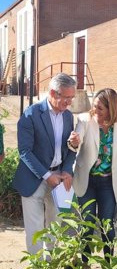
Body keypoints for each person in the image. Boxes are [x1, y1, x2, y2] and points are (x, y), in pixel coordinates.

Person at [13, 73, 77, 255]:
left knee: (55, 224)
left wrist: (66, 170)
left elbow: (69, 148)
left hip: (60, 178)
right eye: (66, 97)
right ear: (53, 93)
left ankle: (50, 263)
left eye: (71, 98)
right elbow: (24, 151)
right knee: (34, 228)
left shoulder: (68, 116)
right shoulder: (31, 114)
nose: (69, 102)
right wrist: (47, 176)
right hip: (33, 178)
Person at [68, 88, 117, 263]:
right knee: (87, 223)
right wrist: (74, 141)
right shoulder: (84, 120)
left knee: (107, 225)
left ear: (111, 110)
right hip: (87, 181)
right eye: (94, 106)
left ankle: (108, 264)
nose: (95, 111)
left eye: (100, 109)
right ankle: (84, 263)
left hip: (107, 183)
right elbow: (76, 140)